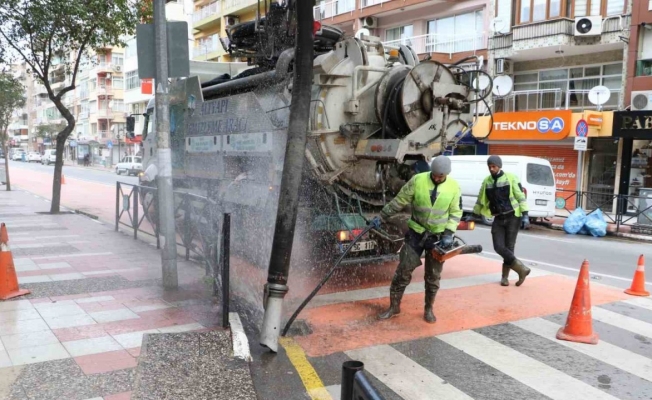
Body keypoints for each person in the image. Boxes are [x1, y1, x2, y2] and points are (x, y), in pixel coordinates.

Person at [374, 155, 462, 324]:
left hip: (437, 239)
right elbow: (400, 200)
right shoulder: (418, 180)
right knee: (403, 271)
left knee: (433, 277)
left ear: (446, 175)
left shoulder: (454, 187)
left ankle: (428, 309)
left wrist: (449, 233)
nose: (436, 178)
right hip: (416, 234)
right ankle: (394, 306)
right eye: (434, 175)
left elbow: (456, 212)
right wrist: (383, 215)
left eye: (440, 176)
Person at [471, 155, 530, 287]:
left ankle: (505, 277)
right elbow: (480, 200)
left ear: (499, 166)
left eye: (494, 166)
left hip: (513, 216)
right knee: (498, 246)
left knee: (509, 247)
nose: (491, 169)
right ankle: (521, 269)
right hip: (498, 217)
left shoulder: (511, 177)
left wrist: (525, 214)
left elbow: (520, 197)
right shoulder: (487, 181)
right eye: (490, 166)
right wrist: (474, 214)